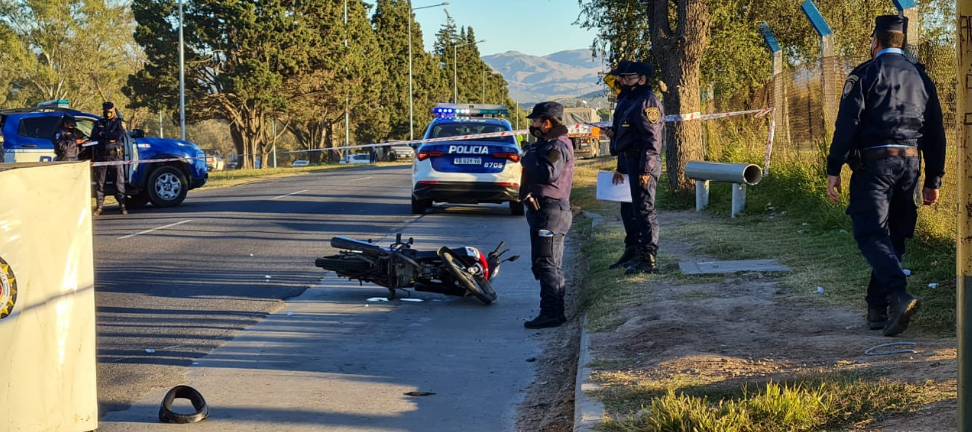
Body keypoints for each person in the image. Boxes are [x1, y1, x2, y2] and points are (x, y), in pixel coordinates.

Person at [825, 15, 946, 337]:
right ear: (901, 41)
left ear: (875, 41)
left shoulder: (863, 74)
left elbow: (847, 125)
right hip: (910, 164)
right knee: (895, 237)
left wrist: (833, 168)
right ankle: (877, 308)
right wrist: (934, 180)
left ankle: (898, 292)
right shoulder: (921, 77)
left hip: (874, 166)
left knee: (870, 233)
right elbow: (935, 132)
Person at [603, 61, 665, 275]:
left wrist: (647, 171)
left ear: (642, 79)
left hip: (643, 162)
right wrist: (619, 159)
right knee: (629, 210)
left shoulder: (648, 101)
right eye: (622, 78)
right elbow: (626, 135)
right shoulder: (626, 100)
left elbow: (652, 140)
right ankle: (634, 252)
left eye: (628, 78)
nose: (623, 81)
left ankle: (648, 259)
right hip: (628, 161)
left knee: (644, 210)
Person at [520, 101, 575, 329]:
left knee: (547, 264)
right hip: (545, 211)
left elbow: (548, 173)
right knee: (547, 263)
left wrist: (528, 155)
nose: (533, 125)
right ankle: (553, 311)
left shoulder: (557, 146)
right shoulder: (548, 144)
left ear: (547, 123)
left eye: (535, 121)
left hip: (551, 210)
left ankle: (551, 313)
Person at [92, 102, 128, 215]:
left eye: (110, 111)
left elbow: (118, 136)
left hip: (115, 156)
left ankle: (122, 205)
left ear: (113, 110)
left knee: (119, 182)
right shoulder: (99, 123)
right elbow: (94, 136)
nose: (108, 114)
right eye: (106, 111)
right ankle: (99, 207)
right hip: (102, 156)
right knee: (100, 183)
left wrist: (104, 135)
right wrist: (107, 137)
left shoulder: (118, 123)